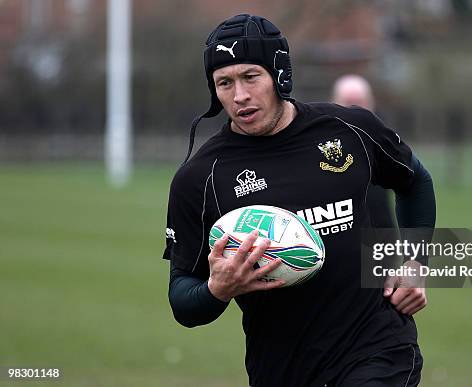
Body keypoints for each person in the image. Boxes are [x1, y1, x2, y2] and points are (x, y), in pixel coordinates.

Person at [163, 14, 435, 387]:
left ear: (279, 74)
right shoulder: (200, 179)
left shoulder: (350, 129)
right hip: (282, 369)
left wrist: (416, 262)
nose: (239, 95)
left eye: (250, 76)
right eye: (224, 82)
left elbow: (415, 181)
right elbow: (181, 297)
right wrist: (216, 290)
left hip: (377, 349)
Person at [332, 74, 397, 229]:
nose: (355, 110)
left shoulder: (384, 136)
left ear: (371, 103)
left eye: (359, 103)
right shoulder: (320, 140)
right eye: (348, 103)